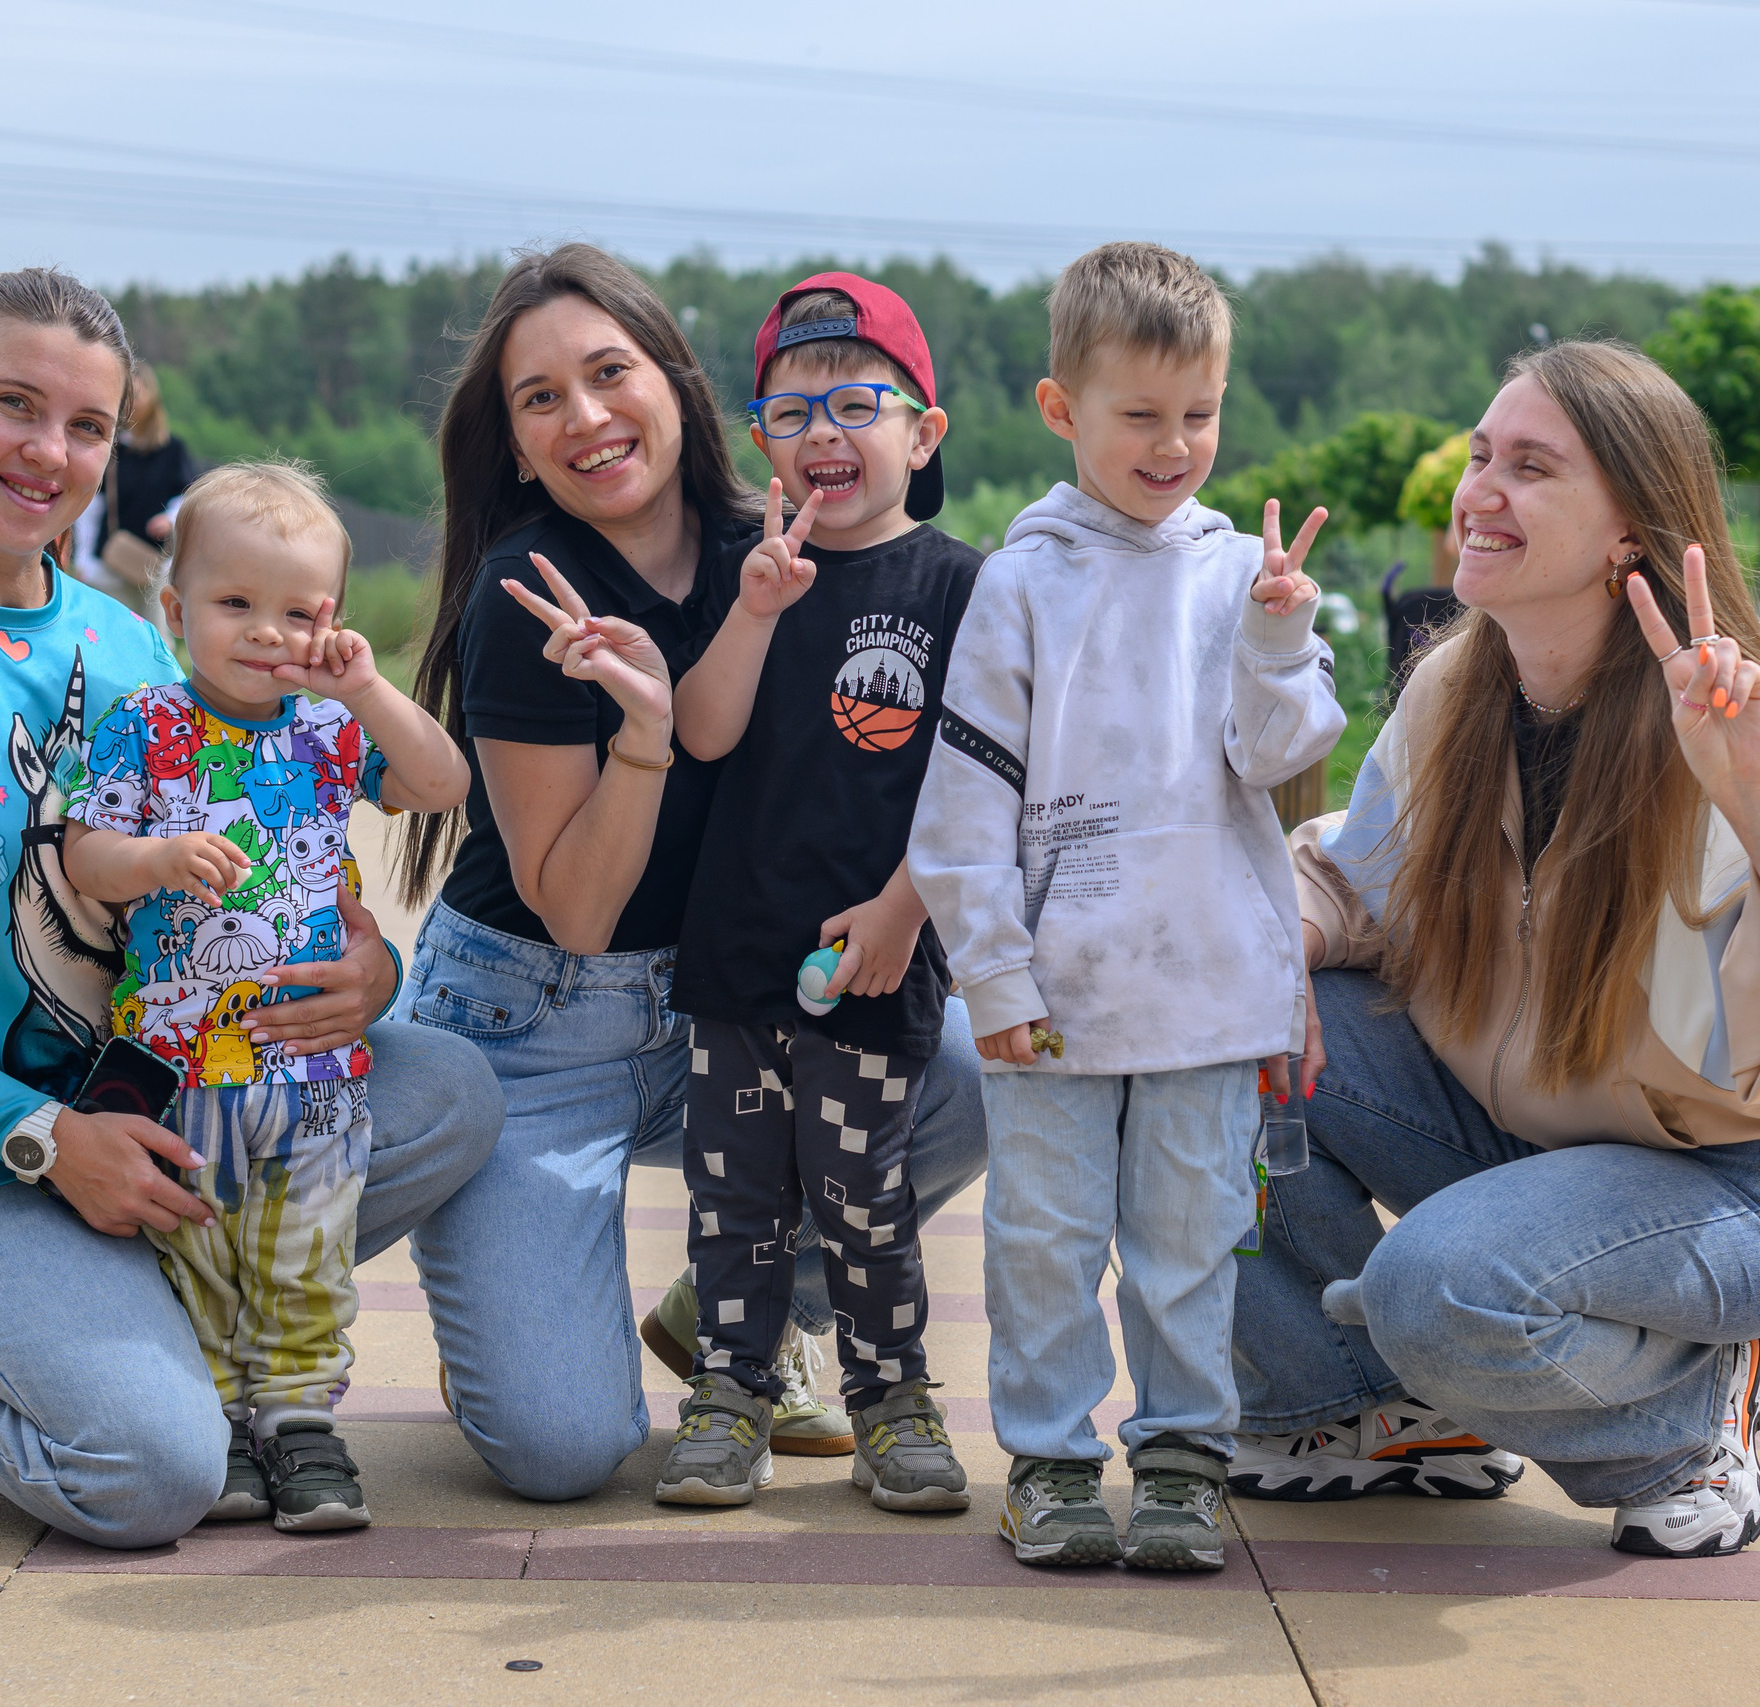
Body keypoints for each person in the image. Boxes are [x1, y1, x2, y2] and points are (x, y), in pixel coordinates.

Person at [0, 269, 502, 1549]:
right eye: (14, 405)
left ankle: (140, 1320)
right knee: (149, 1476)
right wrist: (42, 1138)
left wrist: (366, 973)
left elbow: (291, 845)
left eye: (87, 426)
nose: (51, 452)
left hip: (157, 1094)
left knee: (447, 1093)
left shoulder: (142, 645)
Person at [1247, 338, 1760, 1558]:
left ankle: (1683, 1422)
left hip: (1729, 1184)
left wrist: (1751, 804)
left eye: (1530, 467)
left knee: (1435, 1289)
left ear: (1631, 529)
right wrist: (1282, 947)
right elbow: (1357, 879)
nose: (1480, 490)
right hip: (1515, 1138)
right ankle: (1369, 1414)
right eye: (1479, 457)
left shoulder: (1725, 724)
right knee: (1213, 1045)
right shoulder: (1453, 694)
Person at [391, 243, 988, 1501]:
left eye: (610, 373)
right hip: (538, 1025)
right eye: (538, 398)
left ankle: (754, 1313)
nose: (586, 418)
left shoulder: (774, 543)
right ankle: (522, 1324)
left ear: (677, 382)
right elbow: (581, 908)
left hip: (738, 991)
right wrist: (647, 735)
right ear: (510, 441)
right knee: (563, 1452)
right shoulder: (527, 594)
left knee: (966, 1073)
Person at [909, 241, 1345, 1572]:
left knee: (1190, 1237)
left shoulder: (1235, 576)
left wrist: (1279, 637)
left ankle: (1179, 1457)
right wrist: (994, 972)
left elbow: (1280, 755)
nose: (1173, 446)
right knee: (1041, 1237)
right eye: (1139, 416)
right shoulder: (1020, 580)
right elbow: (963, 807)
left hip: (1209, 990)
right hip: (1052, 994)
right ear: (1064, 410)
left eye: (1198, 415)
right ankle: (1047, 1459)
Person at [61, 460, 471, 1533]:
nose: (262, 631)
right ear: (174, 606)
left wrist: (368, 688)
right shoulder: (145, 725)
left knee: (305, 1251)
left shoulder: (332, 729)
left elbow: (441, 786)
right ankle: (217, 1428)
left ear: (329, 620)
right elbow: (84, 857)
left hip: (313, 1069)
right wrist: (153, 858)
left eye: (295, 611)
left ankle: (299, 1423)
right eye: (234, 603)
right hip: (180, 1066)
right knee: (191, 1250)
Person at [653, 276, 976, 1512]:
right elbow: (702, 733)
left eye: (858, 404)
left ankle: (890, 1396)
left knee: (865, 1200)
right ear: (760, 440)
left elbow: (980, 778)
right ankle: (728, 1392)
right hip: (737, 958)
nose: (826, 435)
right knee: (731, 1200)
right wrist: (750, 612)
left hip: (877, 957)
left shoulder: (960, 586)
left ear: (922, 432)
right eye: (792, 413)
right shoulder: (749, 573)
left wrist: (908, 903)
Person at [72, 361, 196, 597]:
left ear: (152, 396)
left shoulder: (171, 450)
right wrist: (84, 558)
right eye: (126, 396)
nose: (133, 403)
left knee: (156, 631)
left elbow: (186, 495)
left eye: (138, 394)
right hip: (110, 561)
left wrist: (169, 519)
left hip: (155, 563)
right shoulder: (112, 448)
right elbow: (92, 506)